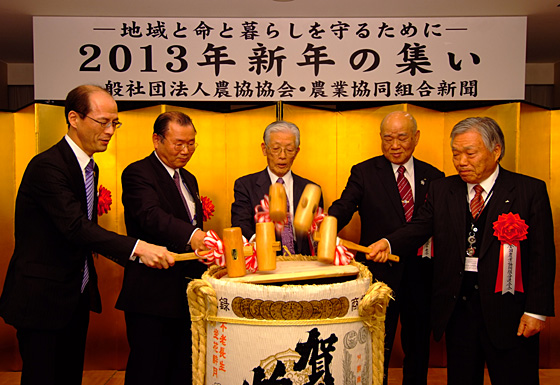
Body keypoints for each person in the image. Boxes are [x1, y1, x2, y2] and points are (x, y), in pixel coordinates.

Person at [0, 85, 175, 385]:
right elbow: (76, 227)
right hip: (42, 299)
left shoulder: (89, 168)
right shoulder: (48, 166)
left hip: (74, 296)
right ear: (74, 118)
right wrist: (138, 248)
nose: (110, 130)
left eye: (114, 123)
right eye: (102, 121)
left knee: (69, 377)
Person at [369, 117, 556, 385]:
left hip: (509, 310)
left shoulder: (528, 191)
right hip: (458, 309)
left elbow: (542, 256)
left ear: (496, 150)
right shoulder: (443, 189)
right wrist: (388, 243)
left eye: (470, 153)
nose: (461, 162)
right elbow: (421, 226)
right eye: (456, 154)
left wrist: (537, 311)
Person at [328, 111, 444, 385]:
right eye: (387, 138)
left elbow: (429, 223)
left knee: (418, 344)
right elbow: (345, 204)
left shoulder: (435, 176)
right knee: (378, 341)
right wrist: (329, 222)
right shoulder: (365, 172)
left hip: (422, 273)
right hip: (380, 276)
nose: (395, 145)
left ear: (416, 138)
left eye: (402, 137)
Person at [116, 111, 208, 385]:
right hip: (151, 295)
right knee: (149, 370)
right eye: (178, 143)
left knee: (181, 370)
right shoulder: (137, 173)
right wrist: (192, 235)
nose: (186, 150)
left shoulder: (188, 178)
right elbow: (150, 215)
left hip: (185, 295)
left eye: (191, 143)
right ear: (157, 140)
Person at [231, 120, 323, 255]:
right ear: (264, 149)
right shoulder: (245, 185)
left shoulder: (311, 189)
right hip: (264, 261)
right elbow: (240, 224)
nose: (282, 156)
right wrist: (259, 243)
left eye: (289, 150)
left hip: (304, 262)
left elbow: (318, 231)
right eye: (276, 149)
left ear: (297, 152)